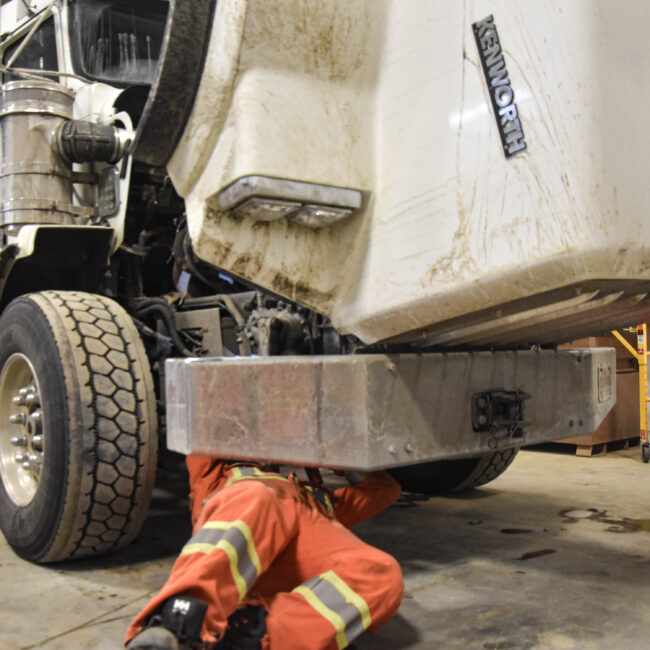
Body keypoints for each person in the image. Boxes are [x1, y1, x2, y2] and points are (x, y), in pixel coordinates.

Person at [125, 456, 404, 650]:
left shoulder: (321, 500)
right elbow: (205, 416)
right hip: (248, 527)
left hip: (289, 558)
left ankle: (250, 637)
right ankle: (178, 625)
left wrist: (338, 455)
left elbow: (384, 489)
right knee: (259, 495)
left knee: (381, 571)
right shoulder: (216, 477)